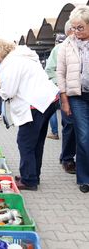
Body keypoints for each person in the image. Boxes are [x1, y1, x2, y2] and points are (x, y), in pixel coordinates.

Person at [0, 38, 59, 191]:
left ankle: (28, 180)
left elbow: (9, 91)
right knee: (37, 142)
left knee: (25, 142)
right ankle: (33, 175)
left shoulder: (10, 63)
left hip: (33, 105)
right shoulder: (23, 56)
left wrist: (0, 91)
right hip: (47, 101)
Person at [57, 5, 89, 193]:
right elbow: (61, 73)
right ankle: (85, 178)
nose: (76, 32)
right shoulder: (66, 45)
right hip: (77, 98)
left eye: (80, 28)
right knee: (84, 137)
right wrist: (65, 100)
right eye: (74, 27)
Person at [45, 22, 77, 174]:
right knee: (70, 125)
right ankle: (67, 159)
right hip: (66, 93)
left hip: (82, 93)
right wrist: (62, 86)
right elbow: (49, 71)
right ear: (70, 30)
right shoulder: (59, 49)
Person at [45, 34, 67, 140]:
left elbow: (48, 69)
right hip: (70, 87)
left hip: (57, 86)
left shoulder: (56, 49)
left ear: (56, 42)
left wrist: (57, 82)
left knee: (52, 109)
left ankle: (55, 132)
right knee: (66, 110)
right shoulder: (71, 47)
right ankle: (67, 133)